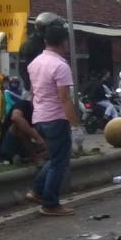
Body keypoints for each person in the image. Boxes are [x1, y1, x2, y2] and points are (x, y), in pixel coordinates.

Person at [26, 12, 82, 216]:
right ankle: (50, 203)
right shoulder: (60, 65)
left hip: (40, 117)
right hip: (56, 118)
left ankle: (37, 191)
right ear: (63, 42)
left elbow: (33, 93)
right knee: (60, 162)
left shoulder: (35, 63)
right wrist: (75, 126)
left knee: (54, 158)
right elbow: (65, 100)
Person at [0, 94, 45, 165]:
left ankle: (28, 158)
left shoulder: (41, 113)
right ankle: (33, 158)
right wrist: (37, 138)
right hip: (11, 143)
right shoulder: (22, 104)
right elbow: (15, 117)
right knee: (18, 126)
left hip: (29, 145)